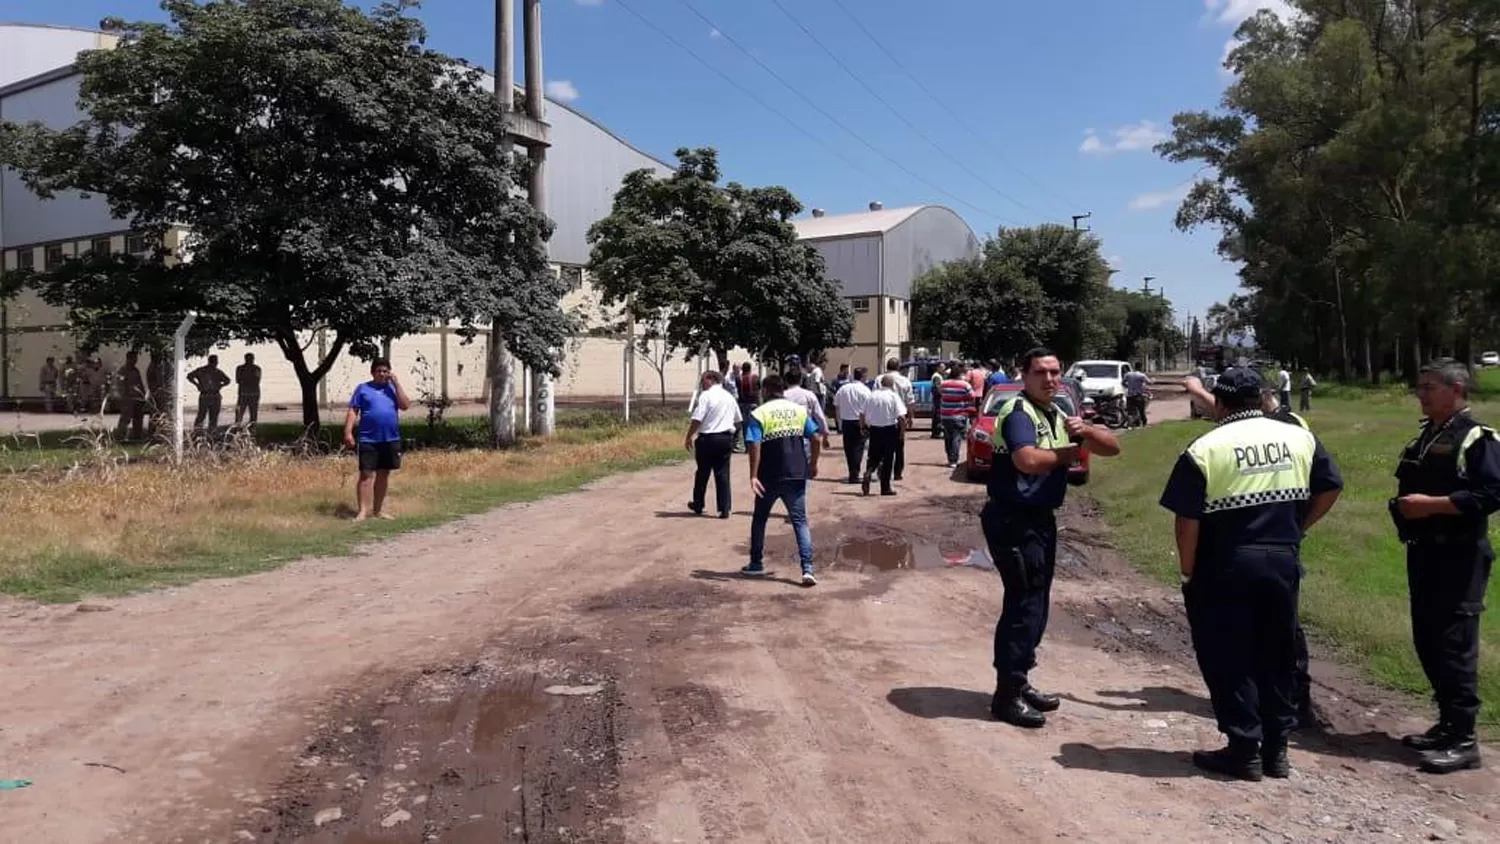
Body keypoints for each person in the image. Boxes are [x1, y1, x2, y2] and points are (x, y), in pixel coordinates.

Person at [1159, 366, 1343, 781]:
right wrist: (1298, 529)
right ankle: (1278, 750)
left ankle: (1244, 748)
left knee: (1228, 655)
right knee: (1277, 654)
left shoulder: (1205, 447)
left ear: (1219, 404)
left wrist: (1188, 572)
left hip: (1224, 564)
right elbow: (1331, 485)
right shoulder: (1299, 436)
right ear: (1261, 398)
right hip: (1282, 560)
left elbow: (1187, 521)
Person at [986, 348, 1121, 727]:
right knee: (1023, 605)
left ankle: (1021, 678)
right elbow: (1026, 460)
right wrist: (1070, 453)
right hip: (1012, 520)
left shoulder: (1058, 412)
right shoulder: (1017, 413)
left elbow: (1113, 447)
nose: (1049, 379)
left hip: (1039, 519)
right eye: (1040, 372)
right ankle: (1006, 694)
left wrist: (1088, 432)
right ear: (1023, 376)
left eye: (1055, 372)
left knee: (1037, 603)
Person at [1390, 358, 1500, 774]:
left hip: (1458, 556)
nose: (1421, 394)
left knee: (1454, 644)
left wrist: (1432, 506)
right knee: (1428, 639)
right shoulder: (1428, 435)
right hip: (1426, 553)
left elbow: (1491, 494)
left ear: (1456, 390)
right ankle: (1447, 724)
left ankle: (1465, 740)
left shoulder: (1476, 437)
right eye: (1419, 386)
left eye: (1429, 387)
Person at [742, 375, 822, 587]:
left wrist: (753, 475)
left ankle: (756, 563)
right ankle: (807, 569)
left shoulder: (759, 413)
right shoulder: (798, 411)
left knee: (760, 519)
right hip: (796, 473)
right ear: (783, 389)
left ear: (766, 391)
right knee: (800, 521)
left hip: (769, 475)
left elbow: (754, 445)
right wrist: (813, 463)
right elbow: (816, 437)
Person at [342, 358, 411, 521]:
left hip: (390, 438)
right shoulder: (363, 389)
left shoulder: (392, 389)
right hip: (368, 439)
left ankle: (378, 510)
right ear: (372, 372)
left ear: (389, 372)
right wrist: (348, 432)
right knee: (366, 475)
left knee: (384, 474)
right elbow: (353, 411)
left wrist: (396, 384)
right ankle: (362, 511)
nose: (382, 374)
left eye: (385, 371)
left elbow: (405, 405)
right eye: (379, 371)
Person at [685, 370, 740, 519]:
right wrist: (733, 439)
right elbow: (738, 420)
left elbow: (697, 418)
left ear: (710, 379)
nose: (702, 384)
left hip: (707, 439)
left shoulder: (706, 396)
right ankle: (724, 507)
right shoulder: (729, 397)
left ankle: (698, 503)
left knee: (703, 472)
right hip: (725, 438)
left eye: (703, 380)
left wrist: (689, 435)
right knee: (722, 473)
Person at [861, 374, 907, 496]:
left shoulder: (872, 395)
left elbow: (862, 414)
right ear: (892, 385)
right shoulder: (893, 396)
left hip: (874, 429)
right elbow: (901, 417)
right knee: (888, 459)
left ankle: (869, 472)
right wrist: (902, 433)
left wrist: (863, 427)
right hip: (889, 430)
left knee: (873, 455)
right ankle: (885, 488)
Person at [833, 366, 873, 483]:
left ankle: (852, 472)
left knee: (848, 449)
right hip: (859, 422)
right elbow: (869, 408)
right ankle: (854, 474)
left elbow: (836, 405)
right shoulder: (865, 390)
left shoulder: (843, 389)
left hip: (846, 422)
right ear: (863, 377)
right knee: (858, 449)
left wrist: (838, 423)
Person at [937, 364, 976, 469]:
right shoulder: (965, 385)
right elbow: (973, 396)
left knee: (948, 437)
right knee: (956, 437)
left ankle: (950, 457)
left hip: (945, 415)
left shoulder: (944, 384)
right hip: (958, 415)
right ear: (960, 374)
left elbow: (940, 392)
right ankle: (953, 460)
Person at [884, 357, 914, 480]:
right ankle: (897, 472)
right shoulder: (905, 381)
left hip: (883, 416)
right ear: (898, 367)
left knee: (884, 445)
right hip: (900, 416)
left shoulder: (880, 379)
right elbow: (910, 401)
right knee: (899, 445)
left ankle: (885, 470)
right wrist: (911, 417)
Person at [188, 355, 232, 433]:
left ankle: (204, 433)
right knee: (205, 417)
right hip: (208, 395)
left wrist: (197, 384)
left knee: (207, 417)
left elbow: (228, 380)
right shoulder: (211, 371)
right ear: (215, 362)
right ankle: (201, 433)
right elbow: (189, 376)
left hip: (210, 395)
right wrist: (197, 385)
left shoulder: (213, 371)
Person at [114, 351, 146, 441]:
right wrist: (124, 397)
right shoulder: (123, 370)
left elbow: (140, 384)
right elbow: (120, 385)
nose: (135, 360)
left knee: (138, 419)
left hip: (138, 399)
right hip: (128, 399)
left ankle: (137, 437)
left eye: (136, 358)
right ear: (128, 358)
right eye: (133, 358)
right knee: (125, 419)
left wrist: (143, 395)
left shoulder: (136, 370)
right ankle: (120, 437)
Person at [235, 353, 262, 427]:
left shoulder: (256, 368)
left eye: (251, 358)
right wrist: (250, 378)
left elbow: (257, 380)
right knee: (239, 413)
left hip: (252, 393)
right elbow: (238, 380)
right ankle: (238, 427)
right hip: (245, 393)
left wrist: (245, 379)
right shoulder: (240, 368)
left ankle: (252, 428)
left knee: (253, 413)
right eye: (249, 358)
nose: (251, 360)